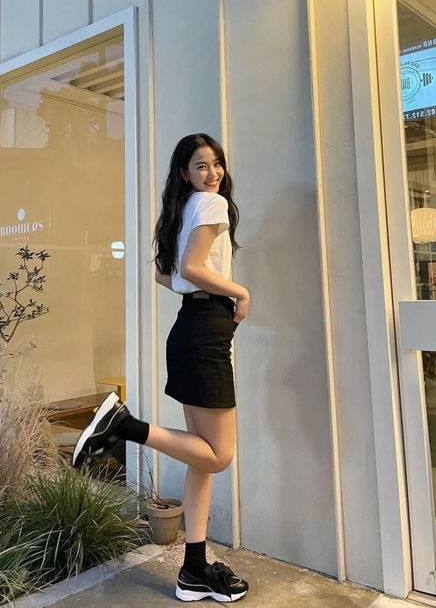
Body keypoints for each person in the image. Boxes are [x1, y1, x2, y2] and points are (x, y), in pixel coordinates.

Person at [72, 133, 250, 603]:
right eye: (201, 166)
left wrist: (207, 293)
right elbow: (190, 269)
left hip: (192, 327)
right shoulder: (212, 205)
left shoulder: (183, 208)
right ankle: (123, 426)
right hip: (206, 328)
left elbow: (163, 273)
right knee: (219, 455)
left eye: (216, 164)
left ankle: (194, 569)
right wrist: (239, 292)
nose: (212, 173)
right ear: (185, 173)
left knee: (202, 458)